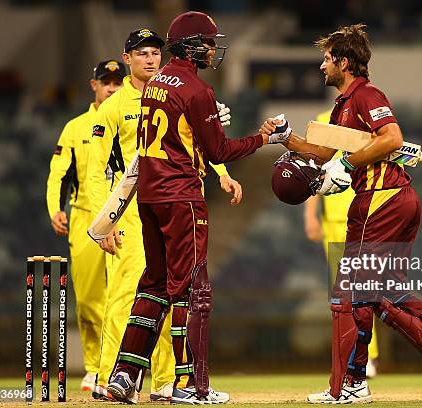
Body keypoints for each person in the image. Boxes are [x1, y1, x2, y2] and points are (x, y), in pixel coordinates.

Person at [262, 24, 422, 404]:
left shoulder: (367, 95)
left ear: (344, 63)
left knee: (352, 294)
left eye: (327, 59)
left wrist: (348, 163)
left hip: (382, 199)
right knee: (383, 294)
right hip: (391, 198)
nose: (321, 66)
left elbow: (391, 138)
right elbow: (326, 153)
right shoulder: (343, 105)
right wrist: (287, 138)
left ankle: (350, 383)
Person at [105, 11, 288, 404]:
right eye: (206, 42)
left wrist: (203, 125)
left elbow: (178, 133)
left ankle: (124, 376)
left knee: (153, 285)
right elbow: (219, 149)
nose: (210, 49)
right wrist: (261, 138)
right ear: (189, 45)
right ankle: (189, 386)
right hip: (181, 197)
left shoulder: (155, 83)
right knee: (190, 290)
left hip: (150, 197)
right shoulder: (196, 90)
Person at [86, 28, 240, 402]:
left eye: (154, 51)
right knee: (170, 290)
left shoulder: (162, 91)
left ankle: (142, 379)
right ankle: (148, 381)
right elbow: (97, 170)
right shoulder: (121, 105)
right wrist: (106, 220)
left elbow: (183, 145)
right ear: (128, 59)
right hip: (157, 206)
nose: (150, 58)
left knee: (154, 289)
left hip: (151, 201)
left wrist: (219, 170)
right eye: (142, 53)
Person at [46, 59, 125, 392]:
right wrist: (55, 208)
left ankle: (120, 368)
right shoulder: (75, 127)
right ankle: (94, 367)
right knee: (91, 298)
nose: (112, 88)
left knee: (123, 295)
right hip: (84, 216)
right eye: (106, 83)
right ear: (94, 86)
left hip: (126, 216)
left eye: (118, 83)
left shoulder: (132, 120)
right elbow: (59, 173)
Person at [304, 111, 380, 378]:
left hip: (363, 213)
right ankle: (353, 355)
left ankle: (365, 355)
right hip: (335, 223)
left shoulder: (371, 123)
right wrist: (310, 215)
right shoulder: (325, 119)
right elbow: (316, 169)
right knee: (344, 292)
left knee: (364, 288)